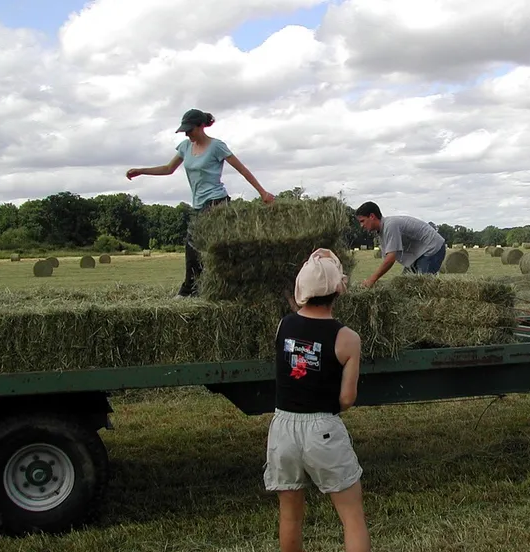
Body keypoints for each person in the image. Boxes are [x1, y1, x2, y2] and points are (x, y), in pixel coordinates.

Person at [264, 248, 371, 552]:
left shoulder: (283, 326)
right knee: (352, 517)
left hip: (282, 428)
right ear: (338, 289)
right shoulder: (348, 338)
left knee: (290, 516)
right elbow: (347, 398)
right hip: (322, 429)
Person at [125, 108, 275, 297]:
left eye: (190, 130)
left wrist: (263, 193)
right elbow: (168, 169)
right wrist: (141, 171)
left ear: (201, 126)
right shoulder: (185, 147)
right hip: (198, 205)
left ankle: (188, 291)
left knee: (193, 246)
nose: (187, 134)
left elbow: (243, 170)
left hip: (217, 203)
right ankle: (203, 289)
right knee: (200, 248)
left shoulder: (216, 146)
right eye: (185, 131)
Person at [354, 201, 446, 288]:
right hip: (418, 254)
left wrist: (371, 280)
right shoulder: (381, 232)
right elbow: (386, 259)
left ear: (372, 216)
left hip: (431, 248)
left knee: (422, 287)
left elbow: (390, 259)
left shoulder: (390, 226)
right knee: (404, 285)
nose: (361, 225)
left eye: (362, 221)